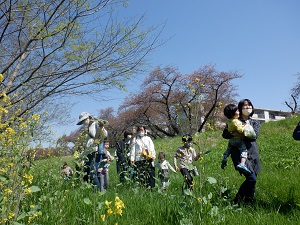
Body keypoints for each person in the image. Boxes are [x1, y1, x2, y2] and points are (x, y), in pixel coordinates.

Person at [222, 99, 262, 205]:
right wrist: (234, 133)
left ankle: (248, 201)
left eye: (249, 106)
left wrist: (242, 130)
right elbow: (225, 135)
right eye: (245, 106)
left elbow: (255, 135)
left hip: (252, 152)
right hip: (239, 154)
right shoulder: (234, 120)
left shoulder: (255, 122)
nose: (247, 108)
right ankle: (236, 201)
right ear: (239, 108)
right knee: (251, 178)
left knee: (253, 179)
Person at [76, 112, 108, 191]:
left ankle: (99, 192)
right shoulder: (87, 129)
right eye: (83, 121)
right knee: (87, 173)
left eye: (85, 120)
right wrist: (81, 156)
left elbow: (105, 134)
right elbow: (88, 146)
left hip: (95, 152)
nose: (84, 122)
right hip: (89, 153)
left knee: (93, 173)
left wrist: (101, 128)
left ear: (88, 118)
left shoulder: (95, 124)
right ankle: (93, 191)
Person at [221, 104, 251, 175]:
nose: (239, 111)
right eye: (237, 110)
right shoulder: (236, 121)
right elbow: (241, 130)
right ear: (233, 113)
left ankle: (224, 158)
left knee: (228, 149)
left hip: (231, 140)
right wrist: (246, 125)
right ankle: (242, 164)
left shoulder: (229, 121)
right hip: (238, 140)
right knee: (243, 151)